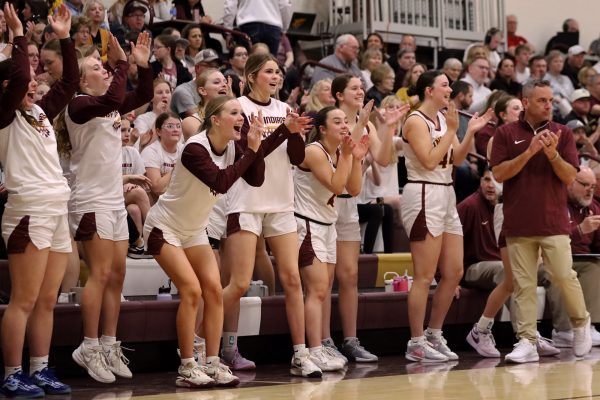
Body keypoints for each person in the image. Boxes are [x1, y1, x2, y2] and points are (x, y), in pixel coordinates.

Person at [144, 95, 265, 387]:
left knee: (213, 290)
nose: (241, 118)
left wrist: (255, 146)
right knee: (191, 290)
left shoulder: (233, 147)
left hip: (194, 229)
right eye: (234, 113)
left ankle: (212, 363)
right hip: (164, 227)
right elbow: (221, 182)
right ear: (215, 120)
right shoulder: (194, 148)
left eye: (242, 114)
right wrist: (251, 151)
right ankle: (187, 366)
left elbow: (257, 178)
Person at [220, 53, 321, 377]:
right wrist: (283, 131)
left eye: (278, 72)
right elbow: (251, 158)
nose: (276, 76)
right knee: (238, 283)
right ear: (251, 77)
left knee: (292, 279)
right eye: (268, 71)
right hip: (246, 201)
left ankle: (300, 353)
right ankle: (208, 345)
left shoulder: (284, 111)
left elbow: (297, 157)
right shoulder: (239, 108)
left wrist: (293, 132)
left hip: (281, 203)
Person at [63, 32, 153, 383]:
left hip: (113, 200)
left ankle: (109, 343)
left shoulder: (108, 105)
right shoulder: (79, 105)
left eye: (104, 67)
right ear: (83, 80)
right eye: (97, 68)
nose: (103, 71)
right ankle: (88, 345)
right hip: (90, 200)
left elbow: (143, 94)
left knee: (118, 276)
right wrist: (121, 63)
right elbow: (117, 95)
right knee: (100, 275)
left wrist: (141, 66)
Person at [0, 4, 77, 397]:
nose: (32, 85)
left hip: (56, 209)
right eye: (26, 81)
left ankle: (40, 369)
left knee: (48, 298)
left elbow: (70, 82)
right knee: (24, 299)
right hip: (28, 210)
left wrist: (64, 38)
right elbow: (15, 79)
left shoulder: (40, 113)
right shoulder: (5, 112)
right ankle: (12, 373)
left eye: (34, 82)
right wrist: (18, 36)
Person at [490, 79, 592, 363]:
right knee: (523, 284)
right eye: (542, 100)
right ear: (525, 102)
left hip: (553, 221)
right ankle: (527, 340)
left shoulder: (563, 133)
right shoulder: (505, 133)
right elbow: (499, 174)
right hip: (518, 222)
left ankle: (581, 323)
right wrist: (531, 151)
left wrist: (552, 154)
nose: (549, 105)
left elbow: (570, 176)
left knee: (563, 276)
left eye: (550, 100)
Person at [401, 70, 492, 362]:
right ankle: (415, 342)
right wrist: (453, 130)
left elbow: (459, 159)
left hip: (445, 193)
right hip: (423, 193)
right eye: (445, 85)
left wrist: (471, 132)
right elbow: (428, 160)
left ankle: (433, 333)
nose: (450, 90)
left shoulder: (443, 119)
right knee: (425, 275)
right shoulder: (415, 120)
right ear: (429, 90)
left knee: (454, 272)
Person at [321, 74, 405, 363]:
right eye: (354, 88)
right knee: (325, 278)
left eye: (361, 87)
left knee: (350, 276)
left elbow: (382, 158)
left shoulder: (366, 121)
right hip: (324, 205)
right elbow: (340, 152)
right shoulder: (330, 119)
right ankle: (323, 341)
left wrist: (388, 125)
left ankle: (351, 340)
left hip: (351, 203)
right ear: (338, 95)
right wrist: (361, 124)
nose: (360, 91)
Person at [295, 106, 369, 371]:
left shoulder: (339, 152)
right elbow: (337, 185)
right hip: (307, 224)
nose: (344, 125)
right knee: (316, 290)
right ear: (323, 129)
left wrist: (356, 158)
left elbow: (354, 189)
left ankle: (316, 349)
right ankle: (312, 351)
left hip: (328, 225)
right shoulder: (314, 150)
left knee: (323, 289)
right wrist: (349, 155)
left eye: (346, 121)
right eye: (337, 121)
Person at [548, 167, 600, 347]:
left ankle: (589, 326)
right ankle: (563, 331)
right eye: (585, 185)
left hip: (582, 258)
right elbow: (549, 239)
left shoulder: (593, 207)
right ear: (570, 183)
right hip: (552, 257)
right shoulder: (555, 202)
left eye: (593, 186)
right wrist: (579, 230)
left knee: (595, 266)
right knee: (562, 268)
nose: (590, 191)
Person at [141, 112, 184, 204]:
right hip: (157, 205)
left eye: (178, 126)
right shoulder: (150, 152)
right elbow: (157, 188)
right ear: (158, 131)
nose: (176, 130)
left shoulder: (185, 150)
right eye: (170, 126)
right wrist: (176, 168)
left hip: (180, 200)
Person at [223, 0, 291, 56]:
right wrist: (284, 29)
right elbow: (285, 5)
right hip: (273, 28)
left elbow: (230, 5)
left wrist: (228, 31)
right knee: (270, 66)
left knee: (249, 65)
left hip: (248, 25)